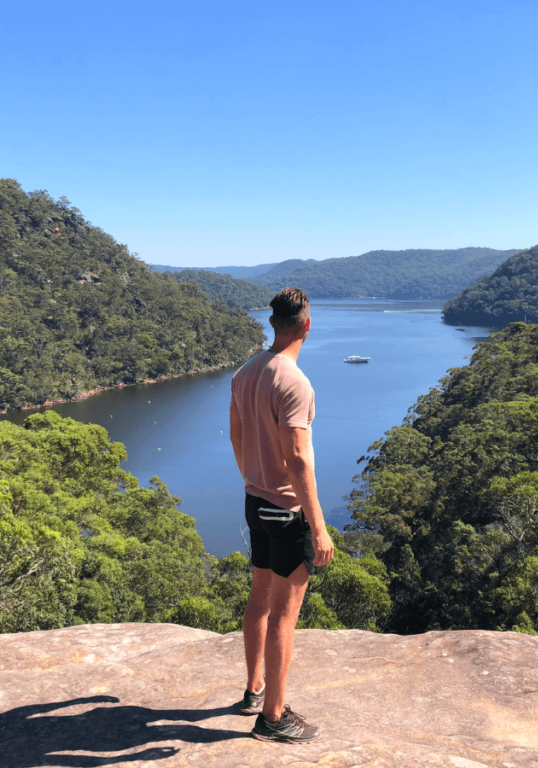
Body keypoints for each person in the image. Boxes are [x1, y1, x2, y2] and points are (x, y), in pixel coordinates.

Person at [229, 286, 335, 744]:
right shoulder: (293, 382)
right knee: (284, 616)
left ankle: (254, 691)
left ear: (272, 323)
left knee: (259, 598)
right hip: (287, 511)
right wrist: (318, 525)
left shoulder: (246, 372)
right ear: (306, 325)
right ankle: (273, 717)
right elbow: (298, 458)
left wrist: (255, 477)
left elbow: (235, 436)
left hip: (255, 501)